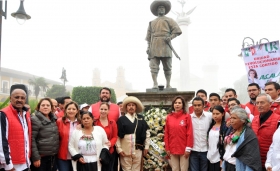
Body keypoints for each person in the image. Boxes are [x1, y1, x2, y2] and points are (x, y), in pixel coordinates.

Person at [145, 0, 182, 88]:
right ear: (157, 10)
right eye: (160, 8)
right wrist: (148, 47)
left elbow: (177, 31)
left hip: (166, 45)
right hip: (154, 45)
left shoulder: (169, 20)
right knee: (153, 67)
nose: (161, 9)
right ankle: (155, 83)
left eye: (163, 8)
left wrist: (170, 37)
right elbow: (148, 37)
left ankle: (168, 84)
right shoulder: (151, 22)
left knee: (168, 66)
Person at [0, 89, 31, 171]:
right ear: (10, 98)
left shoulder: (26, 114)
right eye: (16, 97)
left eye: (22, 98)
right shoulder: (3, 114)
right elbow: (2, 142)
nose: (19, 100)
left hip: (24, 163)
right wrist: (8, 165)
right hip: (11, 166)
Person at [116, 96, 150, 171]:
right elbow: (117, 136)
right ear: (126, 107)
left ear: (136, 107)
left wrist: (147, 146)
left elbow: (147, 133)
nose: (131, 107)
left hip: (138, 150)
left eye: (133, 105)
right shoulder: (121, 120)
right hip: (125, 150)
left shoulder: (141, 118)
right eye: (129, 105)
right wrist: (119, 149)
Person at [164, 96, 193, 171]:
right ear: (173, 105)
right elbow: (166, 133)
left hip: (184, 149)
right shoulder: (169, 117)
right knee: (175, 169)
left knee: (184, 169)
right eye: (175, 103)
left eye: (179, 103)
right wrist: (167, 148)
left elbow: (189, 133)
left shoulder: (187, 116)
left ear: (183, 104)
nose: (177, 104)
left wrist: (188, 148)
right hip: (172, 148)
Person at [252, 93, 280, 170]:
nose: (259, 105)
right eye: (257, 103)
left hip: (271, 163)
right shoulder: (255, 119)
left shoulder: (278, 120)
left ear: (270, 104)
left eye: (262, 102)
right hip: (255, 161)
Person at [31, 97, 59, 171]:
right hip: (41, 158)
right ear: (39, 107)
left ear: (51, 107)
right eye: (43, 105)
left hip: (52, 157)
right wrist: (36, 158)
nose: (45, 107)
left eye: (48, 105)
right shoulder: (35, 119)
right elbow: (32, 139)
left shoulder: (53, 119)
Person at [189, 97, 212, 171]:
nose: (197, 107)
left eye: (199, 105)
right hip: (193, 150)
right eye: (195, 105)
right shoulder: (189, 118)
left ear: (203, 105)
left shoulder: (210, 116)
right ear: (192, 106)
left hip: (206, 150)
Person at [56, 101, 80, 171]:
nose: (71, 111)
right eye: (69, 109)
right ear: (65, 110)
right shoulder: (59, 122)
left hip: (78, 155)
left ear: (77, 111)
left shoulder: (81, 122)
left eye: (73, 109)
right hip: (63, 156)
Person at [95, 102, 118, 171]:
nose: (103, 111)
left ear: (108, 111)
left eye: (105, 109)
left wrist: (111, 143)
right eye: (101, 109)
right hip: (96, 151)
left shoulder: (112, 122)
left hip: (109, 151)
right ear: (99, 110)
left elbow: (115, 136)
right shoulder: (94, 122)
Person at [207, 105, 227, 171]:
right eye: (213, 114)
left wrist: (222, 158)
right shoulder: (211, 126)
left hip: (219, 156)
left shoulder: (225, 127)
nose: (215, 116)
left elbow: (225, 144)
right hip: (210, 156)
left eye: (217, 114)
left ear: (223, 114)